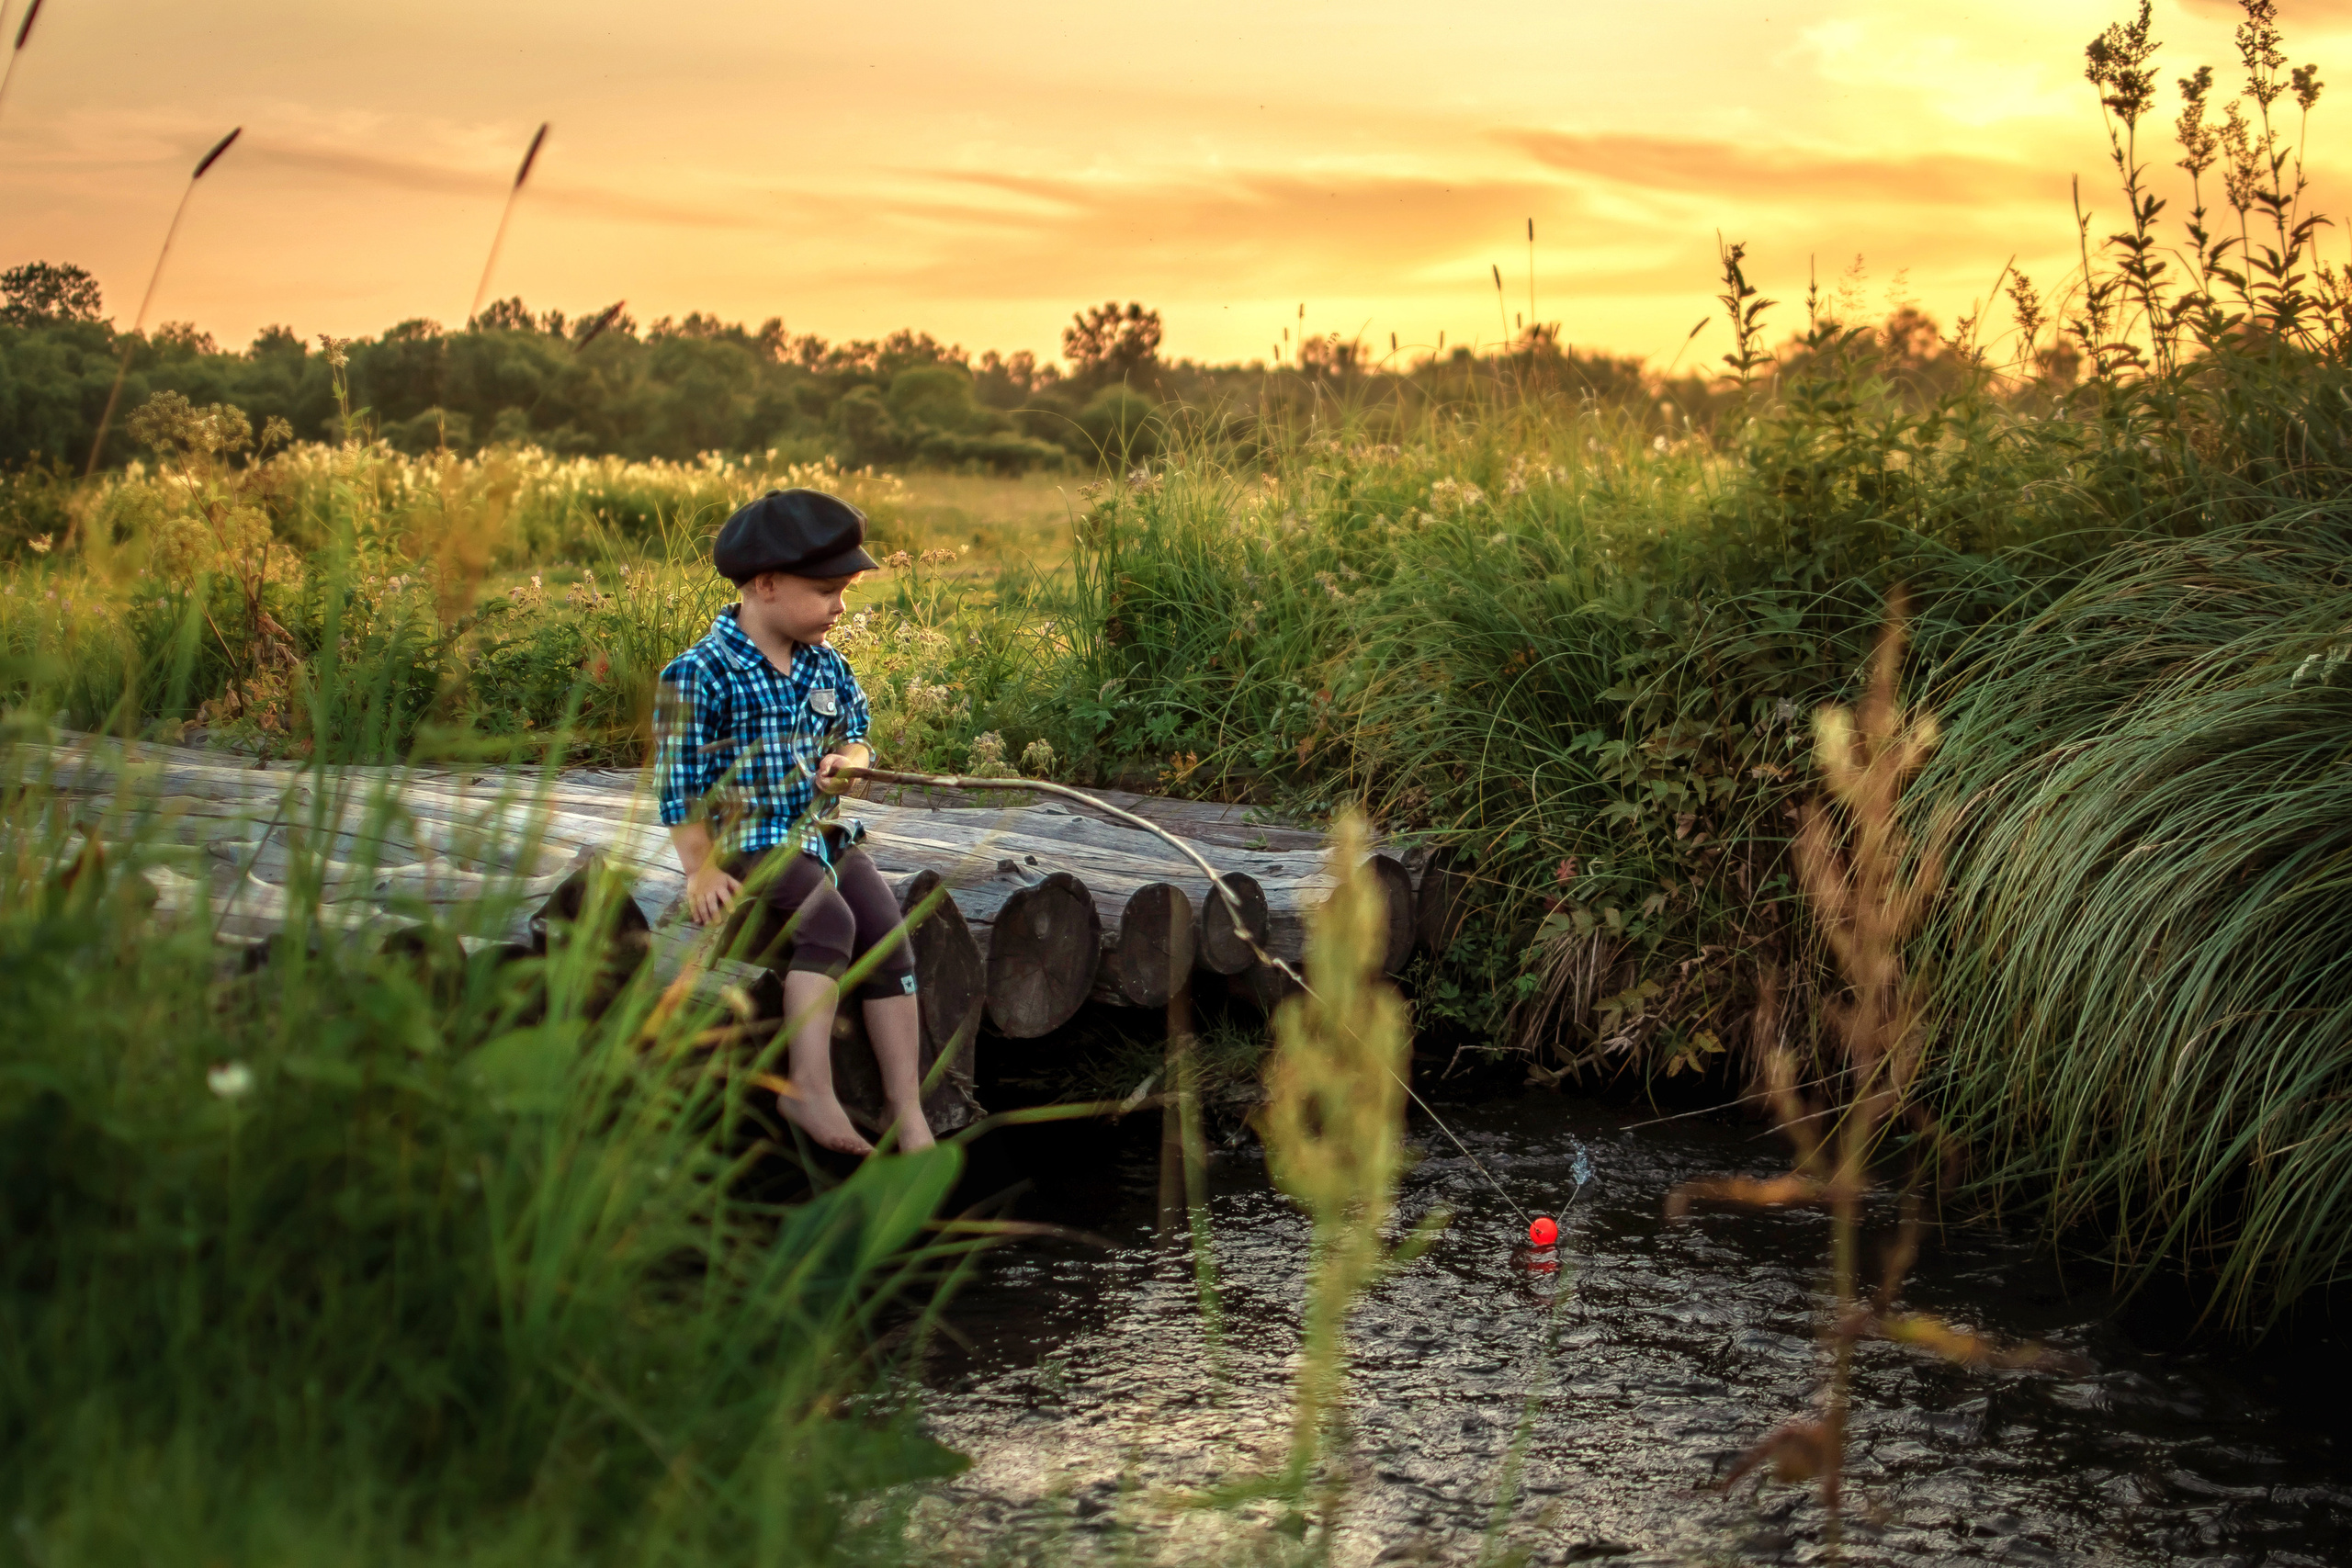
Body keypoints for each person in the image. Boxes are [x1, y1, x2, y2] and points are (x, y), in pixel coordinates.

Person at [651, 487, 931, 1156]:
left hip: (817, 833)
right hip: (747, 838)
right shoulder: (700, 674)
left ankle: (908, 1106)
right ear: (767, 584)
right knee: (830, 921)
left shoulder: (823, 663)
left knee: (890, 932)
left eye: (845, 590)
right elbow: (678, 785)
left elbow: (856, 732)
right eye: (828, 590)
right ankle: (807, 1084)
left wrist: (850, 759)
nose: (840, 606)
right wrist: (700, 868)